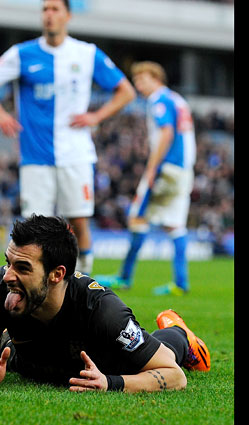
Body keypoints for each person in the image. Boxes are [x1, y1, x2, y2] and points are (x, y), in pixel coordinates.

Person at [0, 214, 210, 392]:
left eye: (23, 267)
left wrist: (110, 383)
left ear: (56, 274)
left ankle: (180, 333)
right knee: (6, 348)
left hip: (105, 363)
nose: (8, 276)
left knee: (160, 351)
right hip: (31, 357)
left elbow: (174, 375)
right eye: (8, 262)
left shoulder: (103, 311)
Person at [0, 0, 136, 275]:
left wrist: (97, 116)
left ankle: (83, 281)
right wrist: (0, 113)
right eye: (45, 9)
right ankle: (34, 285)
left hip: (76, 153)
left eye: (55, 9)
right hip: (35, 155)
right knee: (34, 227)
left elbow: (126, 91)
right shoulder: (23, 53)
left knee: (79, 221)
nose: (49, 14)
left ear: (68, 15)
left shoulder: (86, 53)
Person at [94, 61, 196, 295]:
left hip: (166, 170)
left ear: (156, 78)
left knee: (137, 217)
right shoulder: (178, 99)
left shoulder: (159, 100)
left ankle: (124, 277)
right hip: (183, 170)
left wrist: (152, 168)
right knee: (175, 225)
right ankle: (181, 283)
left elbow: (167, 132)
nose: (138, 85)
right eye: (136, 80)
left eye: (142, 79)